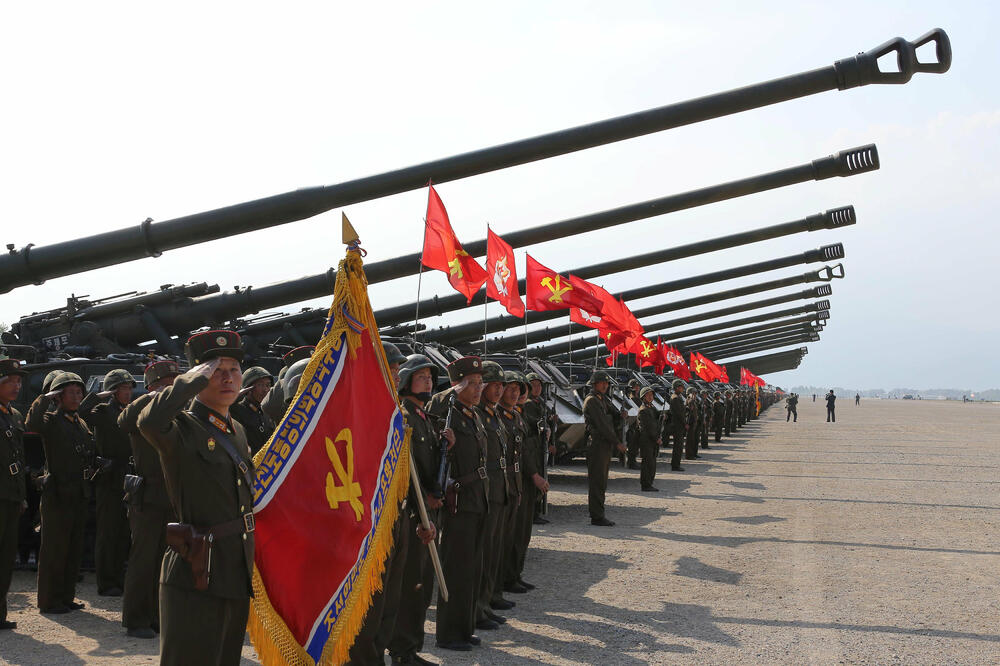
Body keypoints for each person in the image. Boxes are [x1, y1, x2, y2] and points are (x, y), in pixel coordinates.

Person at [138, 330, 255, 665]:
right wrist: (188, 382)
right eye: (216, 370)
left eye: (233, 369)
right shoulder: (183, 428)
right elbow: (149, 421)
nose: (227, 378)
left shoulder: (237, 430)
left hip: (234, 567)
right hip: (196, 569)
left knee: (224, 658)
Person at [387, 354, 448, 666]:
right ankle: (402, 651)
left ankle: (411, 647)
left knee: (422, 587)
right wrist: (423, 504)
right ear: (407, 382)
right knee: (411, 586)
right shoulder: (405, 418)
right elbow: (403, 473)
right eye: (421, 377)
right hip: (413, 515)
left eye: (430, 377)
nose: (428, 382)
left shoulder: (423, 418)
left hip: (428, 511)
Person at [429, 356, 488, 652]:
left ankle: (464, 628)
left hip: (477, 500)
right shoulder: (448, 412)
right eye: (472, 384)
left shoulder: (472, 415)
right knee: (455, 569)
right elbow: (435, 409)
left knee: (471, 569)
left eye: (480, 384)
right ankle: (449, 634)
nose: (478, 389)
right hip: (459, 502)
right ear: (458, 386)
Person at [118, 359, 180, 639]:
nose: (173, 387)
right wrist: (152, 396)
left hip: (171, 496)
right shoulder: (144, 406)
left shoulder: (178, 409)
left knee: (165, 561)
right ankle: (136, 619)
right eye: (168, 382)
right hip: (147, 496)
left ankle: (156, 615)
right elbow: (124, 421)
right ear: (155, 384)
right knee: (143, 560)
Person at [28, 371, 93, 615]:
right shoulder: (51, 420)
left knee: (73, 549)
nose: (76, 397)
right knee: (55, 550)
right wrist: (46, 397)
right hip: (57, 495)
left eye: (79, 392)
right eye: (70, 392)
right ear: (59, 397)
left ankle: (66, 597)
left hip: (78, 493)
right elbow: (32, 423)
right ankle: (49, 601)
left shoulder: (79, 422)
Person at [79, 368, 136, 598]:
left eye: (130, 387)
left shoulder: (128, 411)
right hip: (109, 477)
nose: (128, 392)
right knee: (108, 531)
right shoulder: (102, 410)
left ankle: (118, 578)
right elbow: (81, 411)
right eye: (123, 388)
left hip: (127, 475)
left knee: (123, 532)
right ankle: (106, 582)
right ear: (113, 391)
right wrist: (100, 395)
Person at [0, 359, 28, 630]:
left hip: (10, 496)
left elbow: (17, 458)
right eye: (10, 381)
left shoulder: (15, 415)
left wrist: (21, 496)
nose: (16, 386)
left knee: (6, 558)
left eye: (18, 382)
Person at [583, 371, 626, 526]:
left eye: (607, 383)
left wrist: (620, 415)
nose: (605, 385)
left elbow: (612, 415)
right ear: (594, 384)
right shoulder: (592, 401)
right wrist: (617, 442)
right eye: (602, 383)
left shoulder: (602, 399)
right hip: (597, 444)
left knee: (602, 481)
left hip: (604, 445)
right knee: (597, 481)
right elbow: (602, 425)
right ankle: (597, 516)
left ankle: (599, 513)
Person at [230, 366, 276, 456]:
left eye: (268, 385)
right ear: (248, 389)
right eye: (260, 385)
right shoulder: (236, 410)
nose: (265, 390)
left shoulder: (267, 411)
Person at [636, 387, 661, 492]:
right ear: (643, 397)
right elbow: (648, 427)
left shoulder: (651, 407)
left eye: (651, 395)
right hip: (647, 440)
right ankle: (646, 484)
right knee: (647, 463)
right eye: (648, 395)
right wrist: (656, 438)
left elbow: (656, 418)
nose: (650, 397)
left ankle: (649, 483)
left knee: (652, 462)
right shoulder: (643, 410)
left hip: (652, 439)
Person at [667, 380, 687, 472]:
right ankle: (675, 465)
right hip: (677, 425)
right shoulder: (675, 398)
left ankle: (675, 464)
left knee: (678, 446)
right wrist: (685, 423)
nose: (682, 389)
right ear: (676, 388)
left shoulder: (678, 397)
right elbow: (679, 414)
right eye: (680, 387)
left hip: (678, 425)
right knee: (678, 446)